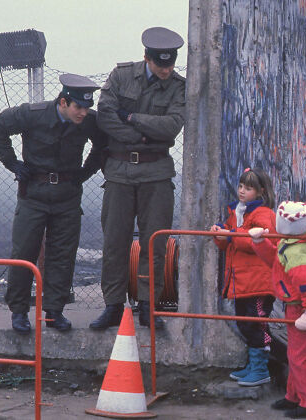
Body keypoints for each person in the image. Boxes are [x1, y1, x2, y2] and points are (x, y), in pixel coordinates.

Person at [0, 73, 106, 334]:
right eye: (78, 107)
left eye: (87, 108)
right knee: (24, 253)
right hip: (34, 195)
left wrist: (84, 173)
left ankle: (54, 311)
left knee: (62, 255)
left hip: (67, 196)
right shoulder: (33, 114)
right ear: (63, 101)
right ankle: (18, 312)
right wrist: (12, 163)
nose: (83, 113)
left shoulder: (88, 121)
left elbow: (102, 145)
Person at [89, 27, 186, 330]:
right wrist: (142, 136)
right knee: (115, 241)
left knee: (154, 243)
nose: (166, 71)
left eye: (170, 65)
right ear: (147, 58)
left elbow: (170, 127)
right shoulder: (120, 76)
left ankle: (148, 305)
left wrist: (130, 117)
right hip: (119, 172)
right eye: (161, 65)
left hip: (156, 173)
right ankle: (113, 306)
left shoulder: (179, 87)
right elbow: (105, 115)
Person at [249, 201, 306, 419]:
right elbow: (275, 261)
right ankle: (293, 396)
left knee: (299, 357)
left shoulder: (297, 253)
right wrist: (259, 241)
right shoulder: (292, 242)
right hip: (295, 305)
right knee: (295, 354)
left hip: (299, 308)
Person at [210, 168, 277, 387]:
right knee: (245, 323)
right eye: (240, 186)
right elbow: (228, 243)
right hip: (242, 282)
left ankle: (261, 369)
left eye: (248, 188)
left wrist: (231, 235)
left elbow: (256, 243)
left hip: (258, 283)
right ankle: (253, 365)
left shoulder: (264, 214)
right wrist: (219, 233)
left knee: (256, 325)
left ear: (260, 192)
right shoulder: (237, 212)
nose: (241, 191)